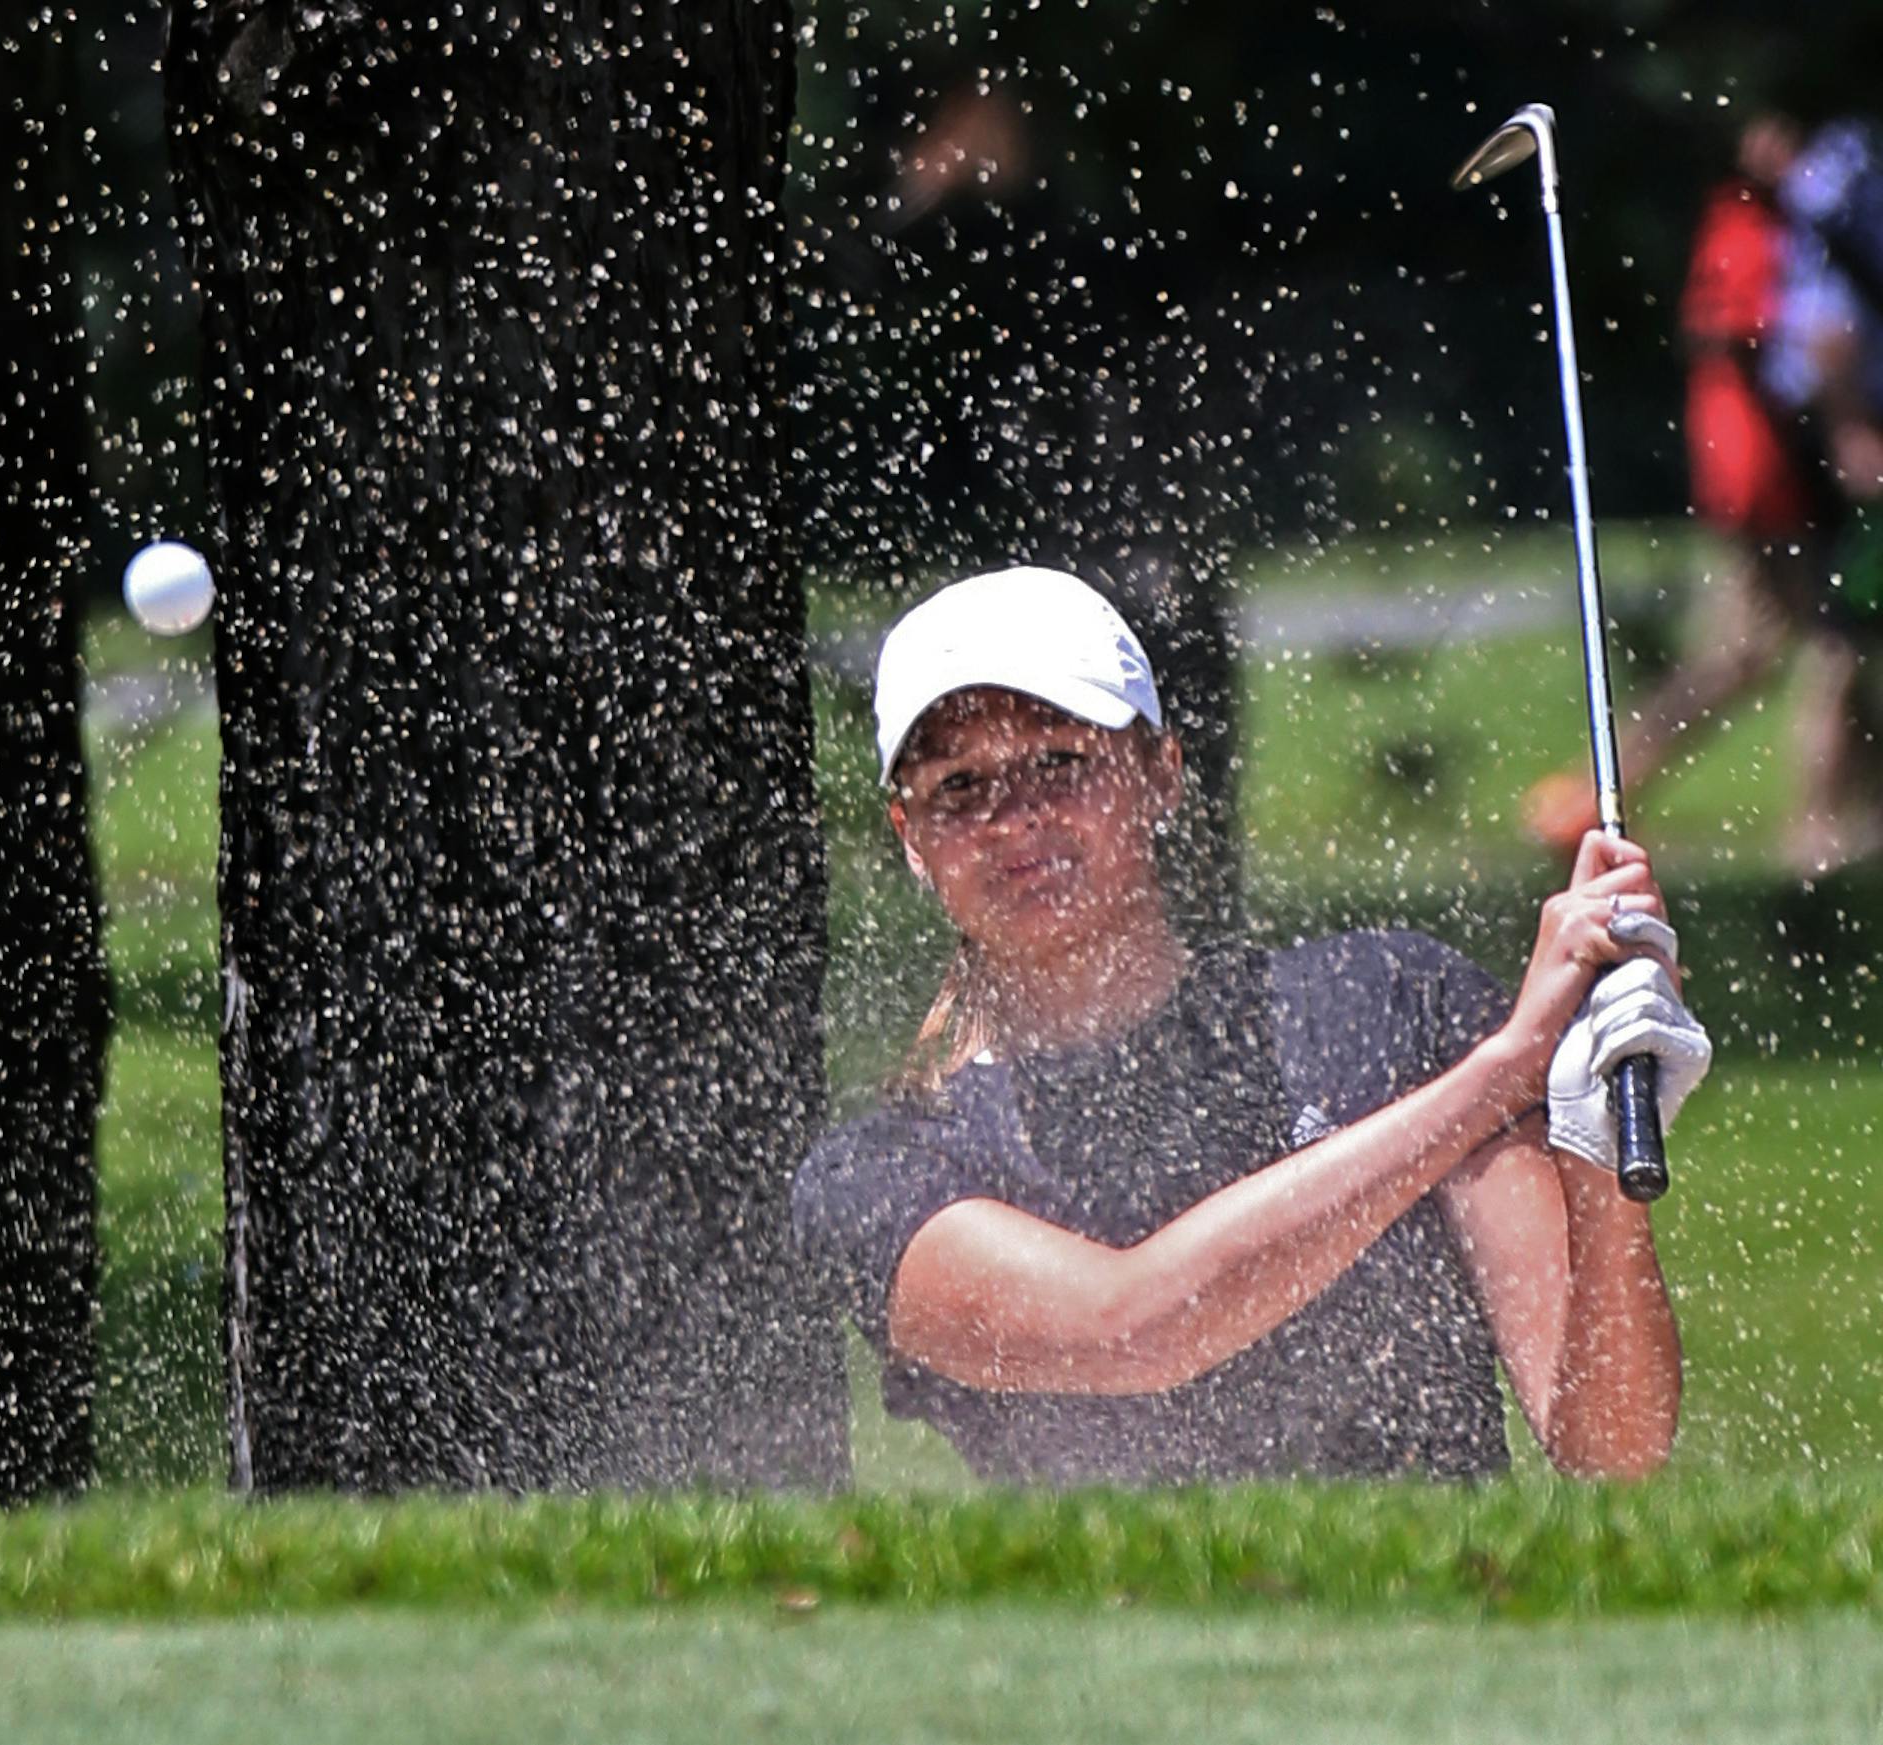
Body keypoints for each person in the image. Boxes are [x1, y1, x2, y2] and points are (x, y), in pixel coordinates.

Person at [794, 566, 1711, 1484]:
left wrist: (1593, 1153)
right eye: (960, 786)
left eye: (1060, 760)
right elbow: (1130, 1328)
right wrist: (1502, 1074)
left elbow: (1610, 1448)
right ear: (909, 836)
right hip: (1117, 1628)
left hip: (1435, 1615)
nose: (1017, 817)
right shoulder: (881, 1175)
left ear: (1162, 774)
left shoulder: (1394, 1008)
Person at [1524, 113, 1883, 874]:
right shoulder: (1761, 230)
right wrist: (1845, 433)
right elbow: (1806, 346)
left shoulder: (1736, 222)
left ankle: (1597, 797)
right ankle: (1818, 838)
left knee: (1747, 653)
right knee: (1832, 647)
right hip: (1770, 476)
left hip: (1741, 469)